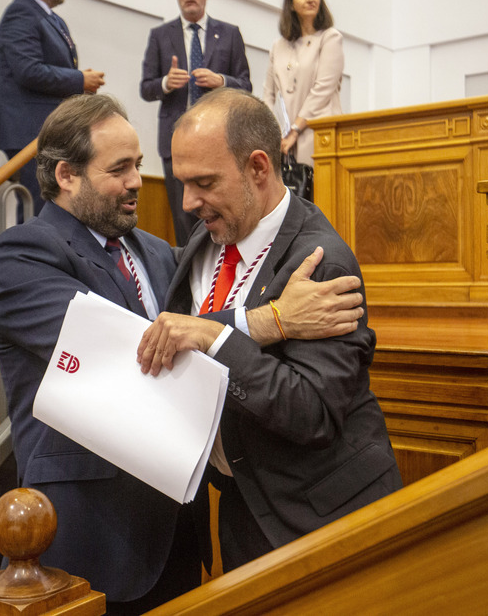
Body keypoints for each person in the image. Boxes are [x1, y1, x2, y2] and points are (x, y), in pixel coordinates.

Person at [0, 93, 366, 612]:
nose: (139, 181)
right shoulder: (21, 256)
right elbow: (128, 352)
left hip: (177, 533)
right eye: (119, 168)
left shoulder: (164, 253)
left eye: (138, 165)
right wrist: (267, 320)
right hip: (88, 533)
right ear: (67, 175)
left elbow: (190, 345)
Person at [138, 88, 402, 573]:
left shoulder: (321, 262)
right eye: (182, 182)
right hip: (244, 505)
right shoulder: (209, 235)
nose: (188, 201)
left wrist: (214, 339)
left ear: (258, 167)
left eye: (204, 182)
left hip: (321, 515)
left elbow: (313, 412)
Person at [140, 0, 251, 246]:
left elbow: (246, 85)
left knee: (221, 212)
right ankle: (190, 281)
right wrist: (166, 82)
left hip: (221, 139)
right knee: (184, 217)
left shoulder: (229, 34)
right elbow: (146, 87)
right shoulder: (160, 36)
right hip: (176, 142)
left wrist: (221, 80)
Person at [0, 0, 105, 220]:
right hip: (28, 131)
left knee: (54, 206)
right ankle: (32, 261)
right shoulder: (20, 14)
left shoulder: (49, 17)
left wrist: (79, 79)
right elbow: (28, 71)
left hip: (46, 130)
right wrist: (79, 79)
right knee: (39, 207)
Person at [262, 0, 343, 167]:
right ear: (291, 4)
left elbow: (323, 89)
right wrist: (276, 133)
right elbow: (269, 94)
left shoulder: (330, 38)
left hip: (317, 133)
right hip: (282, 141)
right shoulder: (278, 46)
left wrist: (296, 130)